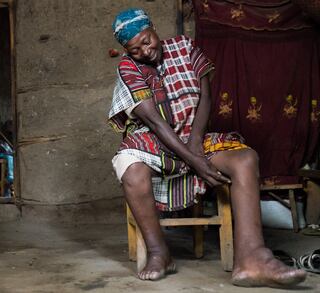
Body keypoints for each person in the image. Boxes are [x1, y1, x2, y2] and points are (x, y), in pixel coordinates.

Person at [108, 8, 307, 288]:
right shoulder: (128, 67)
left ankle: (252, 260)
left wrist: (196, 143)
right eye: (135, 49)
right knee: (131, 171)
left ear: (153, 28)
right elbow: (155, 122)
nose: (145, 50)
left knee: (245, 159)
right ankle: (159, 252)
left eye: (147, 40)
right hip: (154, 140)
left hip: (194, 134)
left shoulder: (184, 46)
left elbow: (206, 96)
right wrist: (195, 161)